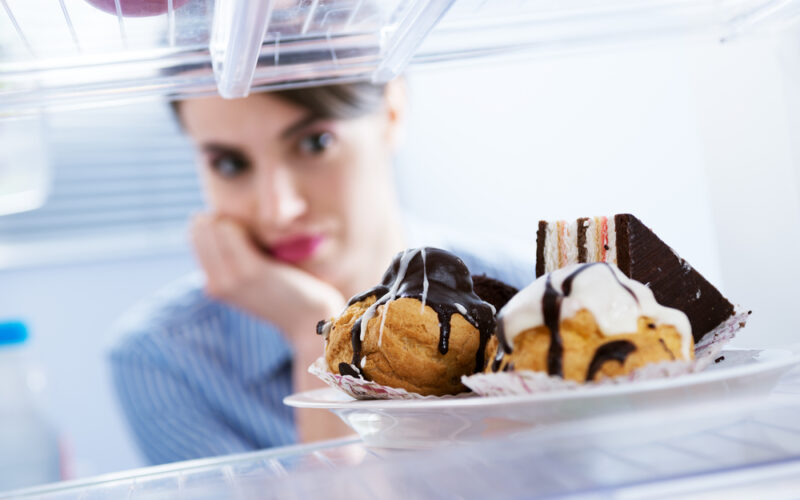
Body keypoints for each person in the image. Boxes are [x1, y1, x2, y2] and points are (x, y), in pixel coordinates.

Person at [109, 80, 532, 466]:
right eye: (230, 165)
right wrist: (314, 330)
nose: (280, 208)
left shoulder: (534, 291)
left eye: (316, 143)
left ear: (391, 112)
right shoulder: (165, 360)